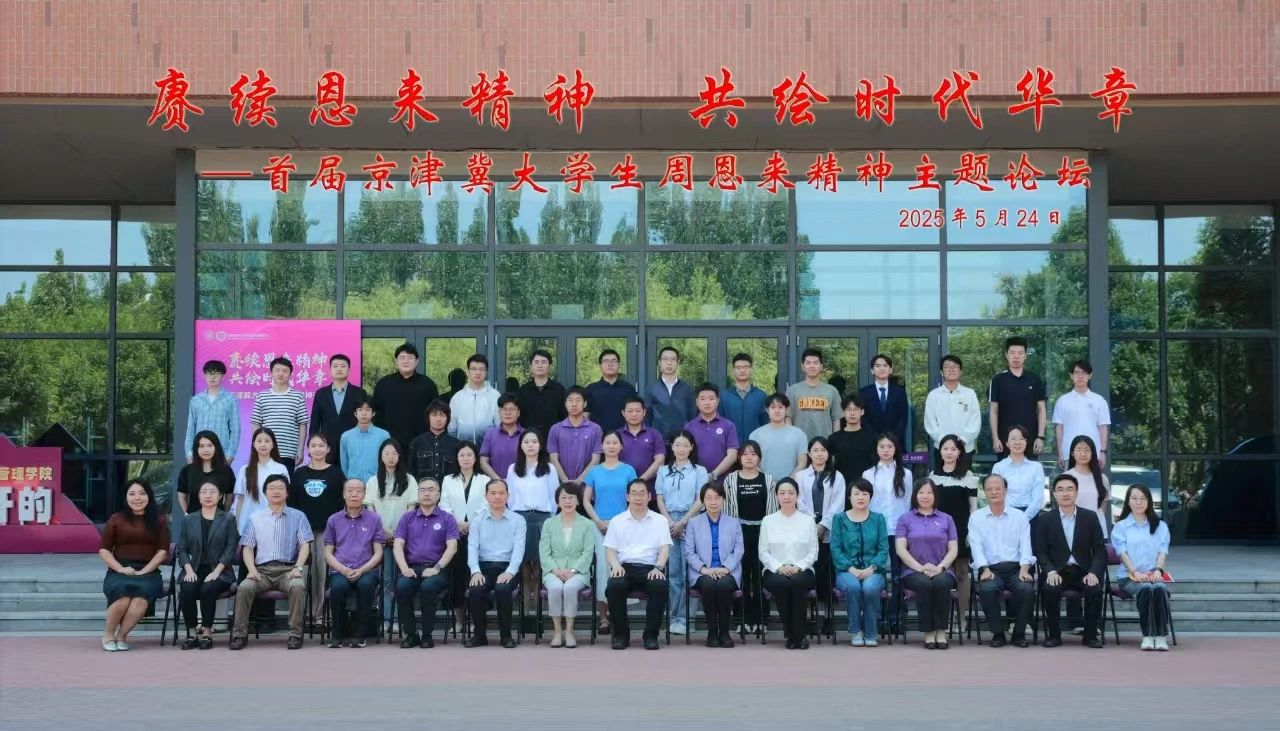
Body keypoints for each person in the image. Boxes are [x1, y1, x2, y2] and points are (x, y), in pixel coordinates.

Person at [230, 474, 313, 650]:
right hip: (262, 572)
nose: (276, 491)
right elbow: (247, 548)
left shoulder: (299, 516)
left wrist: (298, 568)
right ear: (265, 492)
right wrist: (251, 569)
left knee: (298, 587)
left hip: (288, 570)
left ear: (287, 492)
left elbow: (305, 545)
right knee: (244, 588)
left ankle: (295, 634)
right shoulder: (255, 518)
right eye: (272, 488)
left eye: (280, 488)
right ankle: (239, 635)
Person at [1034, 473, 1107, 649]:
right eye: (1060, 490)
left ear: (1076, 492)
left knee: (1094, 588)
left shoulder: (1090, 517)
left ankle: (1090, 636)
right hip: (1057, 570)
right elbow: (1040, 551)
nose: (1065, 493)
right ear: (1054, 494)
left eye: (1069, 489)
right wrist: (1050, 571)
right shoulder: (1045, 520)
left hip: (1083, 570)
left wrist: (1093, 572)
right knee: (1049, 588)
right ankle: (1054, 635)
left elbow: (1099, 550)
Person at [98, 478, 170, 652]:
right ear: (126, 497)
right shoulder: (116, 519)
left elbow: (162, 551)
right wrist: (121, 569)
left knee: (140, 599)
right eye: (132, 494)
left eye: (142, 493)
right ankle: (108, 635)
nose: (137, 498)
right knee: (122, 597)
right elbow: (104, 550)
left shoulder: (159, 520)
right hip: (119, 570)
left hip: (149, 571)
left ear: (149, 496)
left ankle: (122, 636)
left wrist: (144, 571)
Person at [604, 478, 673, 650]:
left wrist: (659, 567)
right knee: (614, 586)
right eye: (634, 493)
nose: (638, 497)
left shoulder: (660, 521)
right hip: (624, 567)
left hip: (651, 567)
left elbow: (665, 549)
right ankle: (621, 635)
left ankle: (651, 636)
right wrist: (615, 565)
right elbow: (610, 550)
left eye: (642, 493)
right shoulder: (617, 521)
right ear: (627, 497)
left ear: (649, 496)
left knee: (659, 586)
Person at [968, 473, 1036, 648]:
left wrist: (1025, 568)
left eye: (997, 488)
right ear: (984, 492)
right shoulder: (976, 517)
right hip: (990, 569)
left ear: (1005, 490)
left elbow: (1026, 545)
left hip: (1016, 568)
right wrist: (983, 568)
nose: (994, 492)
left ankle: (1019, 633)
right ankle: (998, 633)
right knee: (987, 588)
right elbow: (976, 547)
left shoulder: (1019, 516)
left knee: (1026, 589)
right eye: (989, 489)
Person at [582, 431, 639, 633]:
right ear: (602, 446)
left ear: (621, 446)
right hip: (600, 526)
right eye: (608, 442)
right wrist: (597, 521)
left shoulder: (628, 470)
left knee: (622, 567)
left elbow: (634, 497)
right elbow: (586, 500)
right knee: (602, 569)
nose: (612, 446)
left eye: (615, 443)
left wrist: (620, 522)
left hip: (624, 525)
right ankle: (603, 618)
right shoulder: (594, 471)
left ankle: (619, 616)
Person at [393, 477, 460, 648]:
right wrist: (404, 568)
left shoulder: (447, 518)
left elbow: (452, 547)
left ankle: (427, 635)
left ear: (438, 494)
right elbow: (398, 545)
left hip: (437, 569)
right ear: (418, 494)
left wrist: (437, 568)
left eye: (431, 490)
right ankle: (411, 634)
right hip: (411, 568)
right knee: (402, 587)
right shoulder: (407, 517)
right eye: (422, 490)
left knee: (428, 587)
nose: (426, 493)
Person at [896, 478, 959, 649]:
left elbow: (953, 549)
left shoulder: (946, 519)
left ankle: (941, 631)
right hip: (912, 571)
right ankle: (929, 632)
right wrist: (920, 568)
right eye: (921, 492)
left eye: (929, 492)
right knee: (924, 583)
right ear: (915, 495)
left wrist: (940, 568)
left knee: (941, 583)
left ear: (935, 495)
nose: (925, 496)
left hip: (942, 569)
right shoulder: (905, 519)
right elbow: (901, 549)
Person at [289, 433, 346, 619]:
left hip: (327, 532)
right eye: (313, 445)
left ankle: (320, 615)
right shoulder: (299, 474)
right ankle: (303, 615)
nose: (317, 449)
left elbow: (342, 504)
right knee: (303, 572)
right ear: (308, 449)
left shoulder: (336, 473)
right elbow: (292, 503)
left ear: (328, 449)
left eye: (321, 445)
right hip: (302, 532)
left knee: (323, 572)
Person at [323, 478, 385, 648]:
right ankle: (337, 635)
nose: (354, 494)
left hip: (367, 570)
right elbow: (328, 553)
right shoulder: (334, 519)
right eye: (350, 491)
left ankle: (360, 635)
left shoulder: (374, 519)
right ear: (344, 494)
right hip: (340, 570)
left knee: (365, 586)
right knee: (338, 588)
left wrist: (362, 570)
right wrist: (343, 569)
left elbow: (378, 553)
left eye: (358, 491)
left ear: (364, 494)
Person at [176, 480, 238, 650]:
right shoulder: (189, 519)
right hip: (194, 568)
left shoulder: (228, 518)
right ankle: (191, 633)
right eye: (204, 492)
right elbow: (181, 549)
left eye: (212, 492)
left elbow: (230, 548)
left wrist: (217, 571)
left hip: (220, 570)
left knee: (208, 588)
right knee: (187, 587)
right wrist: (188, 570)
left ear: (220, 496)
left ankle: (207, 632)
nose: (208, 495)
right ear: (198, 496)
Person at [656, 431, 707, 635]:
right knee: (673, 573)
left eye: (686, 445)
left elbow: (701, 499)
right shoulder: (663, 471)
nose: (681, 449)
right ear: (672, 447)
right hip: (668, 522)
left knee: (690, 573)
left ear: (691, 447)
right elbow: (659, 498)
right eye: (677, 445)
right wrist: (670, 522)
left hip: (692, 521)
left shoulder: (699, 471)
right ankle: (673, 618)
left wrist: (684, 521)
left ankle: (687, 619)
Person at [722, 440, 776, 633]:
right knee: (741, 576)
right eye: (745, 454)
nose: (749, 457)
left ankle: (762, 620)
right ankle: (741, 620)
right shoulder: (730, 480)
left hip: (763, 532)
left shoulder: (768, 479)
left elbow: (772, 511)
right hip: (739, 533)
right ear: (739, 458)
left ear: (759, 457)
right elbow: (727, 511)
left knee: (761, 575)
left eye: (753, 454)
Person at [1112, 484, 1173, 651]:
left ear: (1149, 501)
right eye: (1134, 498)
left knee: (1159, 588)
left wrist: (1158, 570)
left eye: (1143, 498)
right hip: (1129, 577)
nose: (1138, 502)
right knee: (1145, 588)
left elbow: (1162, 552)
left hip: (1153, 575)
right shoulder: (1121, 527)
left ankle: (1160, 637)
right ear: (1128, 502)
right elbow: (1122, 553)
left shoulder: (1160, 526)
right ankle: (1147, 636)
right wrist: (1135, 572)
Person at [465, 479, 526, 648]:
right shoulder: (478, 520)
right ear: (486, 496)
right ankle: (479, 635)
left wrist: (511, 571)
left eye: (501, 493)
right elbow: (472, 547)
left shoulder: (518, 520)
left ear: (508, 496)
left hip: (507, 567)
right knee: (476, 589)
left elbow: (519, 549)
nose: (497, 497)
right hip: (483, 568)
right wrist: (475, 571)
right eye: (493, 493)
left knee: (503, 588)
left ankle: (506, 636)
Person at [759, 477, 818, 650]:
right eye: (782, 493)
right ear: (776, 496)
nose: (786, 496)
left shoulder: (808, 520)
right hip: (774, 570)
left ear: (797, 496)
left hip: (803, 569)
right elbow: (763, 552)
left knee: (797, 582)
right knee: (782, 584)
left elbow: (813, 552)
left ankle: (794, 635)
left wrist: (798, 566)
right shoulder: (768, 521)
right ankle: (797, 635)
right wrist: (779, 567)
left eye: (791, 493)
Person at [684, 482, 745, 648]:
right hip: (702, 572)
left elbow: (739, 550)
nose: (713, 502)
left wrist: (725, 568)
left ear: (723, 499)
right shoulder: (694, 523)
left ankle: (724, 632)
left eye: (717, 498)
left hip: (728, 571)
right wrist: (704, 569)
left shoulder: (734, 522)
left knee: (723, 585)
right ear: (703, 501)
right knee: (710, 585)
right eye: (709, 498)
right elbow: (689, 552)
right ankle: (712, 631)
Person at [927, 435, 980, 627]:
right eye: (945, 448)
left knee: (962, 573)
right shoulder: (933, 475)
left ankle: (961, 618)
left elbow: (973, 508)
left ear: (959, 452)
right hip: (937, 531)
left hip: (960, 530)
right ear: (940, 451)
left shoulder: (968, 476)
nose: (949, 452)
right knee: (940, 574)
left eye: (953, 449)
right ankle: (942, 619)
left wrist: (971, 532)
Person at [830, 478, 889, 647]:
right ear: (849, 497)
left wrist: (872, 568)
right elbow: (835, 549)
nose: (861, 497)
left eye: (865, 494)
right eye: (856, 494)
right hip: (846, 570)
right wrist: (850, 568)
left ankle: (870, 632)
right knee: (853, 586)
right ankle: (856, 630)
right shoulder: (839, 519)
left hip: (874, 570)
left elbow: (883, 549)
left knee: (870, 588)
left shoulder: (878, 519)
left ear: (870, 497)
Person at [507, 429, 559, 613]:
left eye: (534, 441)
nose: (530, 445)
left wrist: (550, 521)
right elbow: (510, 497)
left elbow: (554, 497)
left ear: (540, 445)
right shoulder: (513, 469)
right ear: (521, 445)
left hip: (542, 519)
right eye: (526, 442)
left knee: (538, 565)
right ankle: (525, 610)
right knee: (523, 564)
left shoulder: (549, 468)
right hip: (520, 519)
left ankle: (536, 610)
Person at [539, 482, 596, 648]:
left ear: (578, 501)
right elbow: (544, 552)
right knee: (556, 588)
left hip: (578, 571)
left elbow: (588, 552)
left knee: (570, 588)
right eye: (563, 498)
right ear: (558, 502)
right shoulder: (549, 523)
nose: (567, 501)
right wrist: (555, 570)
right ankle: (557, 631)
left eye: (571, 498)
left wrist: (573, 570)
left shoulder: (588, 524)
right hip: (553, 570)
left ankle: (569, 631)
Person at [863, 433, 912, 628]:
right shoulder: (868, 474)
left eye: (889, 446)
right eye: (882, 446)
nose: (885, 450)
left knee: (898, 574)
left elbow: (908, 503)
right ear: (877, 449)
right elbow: (866, 503)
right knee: (878, 573)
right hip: (877, 529)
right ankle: (879, 616)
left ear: (895, 449)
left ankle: (897, 616)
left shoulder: (906, 474)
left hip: (899, 529)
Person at [440, 441, 488, 634]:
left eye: (469, 455)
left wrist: (471, 524)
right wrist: (457, 523)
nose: (466, 458)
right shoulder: (448, 480)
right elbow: (444, 505)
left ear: (475, 458)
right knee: (457, 578)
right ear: (457, 459)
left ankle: (476, 620)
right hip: (455, 535)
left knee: (476, 578)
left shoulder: (484, 480)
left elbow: (486, 505)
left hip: (479, 534)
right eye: (462, 455)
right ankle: (459, 620)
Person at [372, 342, 439, 450]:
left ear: (417, 361)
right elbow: (377, 413)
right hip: (390, 442)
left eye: (410, 358)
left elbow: (434, 413)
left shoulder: (428, 384)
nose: (406, 361)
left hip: (421, 442)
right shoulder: (384, 384)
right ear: (396, 361)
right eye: (402, 358)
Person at [989, 336, 1047, 459]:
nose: (1016, 356)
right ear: (1006, 355)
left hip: (1030, 440)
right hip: (1005, 441)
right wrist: (995, 438)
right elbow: (993, 411)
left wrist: (1040, 437)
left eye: (1020, 353)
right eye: (1012, 353)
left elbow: (1042, 409)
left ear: (1025, 355)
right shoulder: (998, 380)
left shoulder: (1035, 379)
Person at [250, 356, 309, 475]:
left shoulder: (298, 396)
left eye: (285, 371)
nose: (281, 374)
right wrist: (257, 446)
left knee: (285, 483)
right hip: (266, 451)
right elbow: (256, 424)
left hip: (289, 451)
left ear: (290, 374)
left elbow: (302, 424)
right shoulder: (262, 396)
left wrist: (300, 450)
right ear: (271, 373)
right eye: (277, 370)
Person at [1053, 360, 1111, 470]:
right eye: (1076, 373)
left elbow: (1103, 427)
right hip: (1069, 453)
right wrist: (1060, 452)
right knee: (1070, 481)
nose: (1080, 376)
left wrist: (1103, 451)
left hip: (1093, 453)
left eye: (1084, 373)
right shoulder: (1062, 400)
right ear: (1071, 376)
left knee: (1093, 481)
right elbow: (1059, 428)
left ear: (1090, 375)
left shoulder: (1099, 400)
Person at [923, 355, 981, 462]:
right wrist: (944, 442)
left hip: (965, 448)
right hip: (941, 448)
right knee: (941, 473)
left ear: (961, 371)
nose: (951, 369)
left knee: (964, 473)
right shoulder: (934, 395)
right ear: (941, 372)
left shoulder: (970, 394)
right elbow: (930, 422)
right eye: (947, 366)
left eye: (955, 366)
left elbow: (975, 421)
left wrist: (963, 440)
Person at [231, 427, 287, 535]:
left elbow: (284, 500)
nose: (263, 444)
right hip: (247, 526)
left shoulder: (281, 469)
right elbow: (240, 500)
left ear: (273, 444)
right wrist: (237, 526)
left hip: (273, 527)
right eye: (259, 441)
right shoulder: (244, 470)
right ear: (254, 444)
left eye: (267, 441)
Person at [310, 354, 368, 453]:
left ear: (349, 370)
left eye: (343, 366)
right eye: (335, 366)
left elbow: (365, 419)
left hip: (353, 444)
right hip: (326, 446)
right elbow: (315, 423)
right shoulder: (321, 393)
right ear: (330, 370)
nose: (339, 369)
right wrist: (312, 445)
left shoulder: (359, 393)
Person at [185, 359, 239, 464]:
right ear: (204, 375)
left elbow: (235, 429)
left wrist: (230, 454)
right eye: (209, 373)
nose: (212, 377)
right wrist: (189, 453)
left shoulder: (230, 399)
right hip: (199, 452)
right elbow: (190, 428)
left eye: (216, 373)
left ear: (223, 376)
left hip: (222, 452)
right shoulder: (196, 400)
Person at [548, 387, 604, 482]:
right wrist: (565, 481)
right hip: (562, 485)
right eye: (570, 400)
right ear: (565, 404)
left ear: (585, 404)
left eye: (578, 400)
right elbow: (553, 458)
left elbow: (595, 460)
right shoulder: (555, 429)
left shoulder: (595, 429)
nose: (574, 404)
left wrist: (578, 482)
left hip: (587, 485)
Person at [684, 383, 740, 480]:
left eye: (711, 399)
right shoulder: (689, 427)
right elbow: (684, 455)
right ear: (697, 402)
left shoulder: (728, 426)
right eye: (702, 399)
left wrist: (714, 474)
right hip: (695, 480)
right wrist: (699, 476)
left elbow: (732, 455)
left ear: (718, 401)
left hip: (723, 481)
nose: (707, 403)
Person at [749, 393, 808, 482]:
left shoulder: (799, 434)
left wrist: (788, 482)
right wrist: (767, 481)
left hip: (791, 485)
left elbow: (802, 463)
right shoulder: (755, 435)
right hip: (763, 484)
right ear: (767, 410)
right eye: (773, 407)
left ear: (786, 410)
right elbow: (753, 463)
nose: (777, 411)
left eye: (780, 407)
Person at [786, 347, 842, 442]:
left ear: (821, 366)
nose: (812, 366)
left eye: (815, 363)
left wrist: (835, 442)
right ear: (802, 366)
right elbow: (788, 418)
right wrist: (792, 440)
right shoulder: (792, 391)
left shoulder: (832, 391)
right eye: (808, 363)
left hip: (824, 444)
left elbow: (836, 419)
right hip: (800, 444)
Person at [991, 425, 1047, 520]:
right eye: (1013, 439)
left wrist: (1023, 518)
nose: (1017, 442)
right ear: (1007, 443)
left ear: (1026, 442)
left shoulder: (1036, 467)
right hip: (1005, 515)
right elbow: (996, 495)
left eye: (1021, 439)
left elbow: (1038, 499)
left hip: (1030, 515)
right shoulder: (999, 467)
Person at [615, 396, 666, 496]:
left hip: (649, 491)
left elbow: (660, 461)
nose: (634, 414)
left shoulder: (654, 434)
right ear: (623, 413)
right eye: (630, 411)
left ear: (644, 412)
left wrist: (640, 481)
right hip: (622, 490)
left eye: (638, 411)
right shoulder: (616, 435)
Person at [645, 346, 696, 441]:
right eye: (665, 359)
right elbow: (647, 417)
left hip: (681, 441)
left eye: (673, 359)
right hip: (658, 441)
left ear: (678, 363)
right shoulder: (652, 389)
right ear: (659, 362)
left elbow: (692, 415)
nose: (669, 363)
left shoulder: (687, 389)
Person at [365, 438, 416, 534]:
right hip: (379, 533)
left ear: (399, 455)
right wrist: (384, 531)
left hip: (404, 533)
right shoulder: (372, 481)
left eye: (394, 453)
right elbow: (371, 511)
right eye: (386, 453)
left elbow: (411, 509)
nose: (390, 457)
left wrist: (400, 531)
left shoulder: (410, 480)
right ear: (381, 456)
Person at [177, 430, 235, 513]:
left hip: (218, 518)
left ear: (216, 447)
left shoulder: (226, 471)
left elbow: (229, 499)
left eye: (209, 446)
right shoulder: (187, 471)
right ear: (196, 448)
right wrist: (188, 515)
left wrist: (223, 516)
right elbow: (182, 497)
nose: (206, 450)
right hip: (193, 517)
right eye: (201, 446)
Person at [858, 354, 909, 447]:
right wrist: (877, 438)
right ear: (872, 370)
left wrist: (892, 438)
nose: (882, 368)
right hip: (871, 442)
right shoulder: (864, 393)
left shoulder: (899, 392)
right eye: (878, 366)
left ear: (890, 370)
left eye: (885, 365)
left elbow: (903, 418)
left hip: (895, 442)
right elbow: (863, 418)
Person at [827, 394, 877, 488]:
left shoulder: (872, 437)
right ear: (843, 412)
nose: (852, 413)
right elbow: (828, 465)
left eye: (856, 409)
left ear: (862, 412)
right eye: (848, 409)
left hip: (865, 488)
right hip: (840, 487)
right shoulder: (834, 438)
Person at [584, 348, 638, 435]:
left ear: (619, 365)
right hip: (597, 437)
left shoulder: (628, 389)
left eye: (613, 361)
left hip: (624, 437)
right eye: (606, 361)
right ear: (600, 366)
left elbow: (634, 415)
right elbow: (585, 416)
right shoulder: (591, 389)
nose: (610, 364)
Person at [449, 354, 501, 444]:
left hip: (488, 447)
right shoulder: (458, 397)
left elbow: (499, 425)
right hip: (463, 448)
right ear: (467, 372)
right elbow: (452, 428)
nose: (478, 373)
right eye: (473, 369)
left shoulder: (495, 396)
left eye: (481, 369)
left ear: (486, 372)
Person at [408, 400, 462, 484]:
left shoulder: (456, 444)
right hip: (423, 490)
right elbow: (411, 471)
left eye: (442, 415)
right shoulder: (417, 442)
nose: (438, 419)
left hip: (448, 491)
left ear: (448, 418)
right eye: (434, 415)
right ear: (428, 417)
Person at [515, 349, 567, 437]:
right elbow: (520, 418)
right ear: (531, 366)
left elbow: (564, 416)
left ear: (549, 366)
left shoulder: (559, 390)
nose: (540, 365)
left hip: (553, 437)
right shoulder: (523, 390)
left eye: (544, 362)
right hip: (529, 439)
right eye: (536, 362)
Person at [1065, 435, 1111, 535]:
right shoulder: (1065, 477)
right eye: (1079, 450)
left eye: (1087, 450)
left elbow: (1103, 507)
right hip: (1073, 529)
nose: (1083, 454)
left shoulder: (1102, 478)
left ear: (1092, 453)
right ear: (1072, 453)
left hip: (1098, 530)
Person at [719, 352, 768, 440]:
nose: (742, 370)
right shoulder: (724, 396)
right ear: (733, 370)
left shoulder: (761, 396)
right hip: (730, 445)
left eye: (746, 367)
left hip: (754, 445)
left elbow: (765, 424)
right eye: (738, 368)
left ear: (751, 369)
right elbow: (719, 423)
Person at [339, 397, 389, 481]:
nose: (364, 413)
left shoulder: (383, 435)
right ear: (355, 413)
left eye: (367, 409)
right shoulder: (346, 436)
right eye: (360, 409)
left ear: (373, 413)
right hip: (354, 484)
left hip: (377, 483)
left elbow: (387, 461)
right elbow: (344, 464)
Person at [479, 395, 524, 480]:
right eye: (504, 409)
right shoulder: (491, 434)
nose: (508, 413)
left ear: (518, 413)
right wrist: (499, 480)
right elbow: (483, 462)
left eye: (512, 409)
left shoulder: (525, 435)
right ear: (499, 412)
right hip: (496, 484)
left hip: (521, 483)